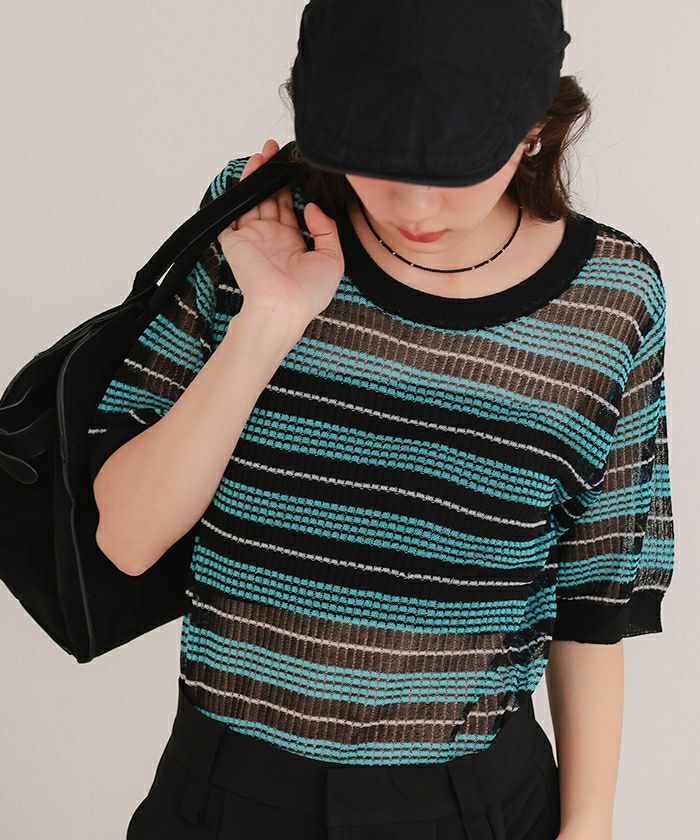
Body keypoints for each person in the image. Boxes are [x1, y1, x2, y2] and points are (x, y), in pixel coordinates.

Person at [87, 2, 674, 839]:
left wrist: (588, 829)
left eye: (456, 165)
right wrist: (268, 320)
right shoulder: (261, 220)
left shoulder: (611, 299)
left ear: (535, 128)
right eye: (377, 158)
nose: (414, 206)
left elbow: (594, 602)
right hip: (226, 795)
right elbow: (128, 538)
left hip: (472, 805)